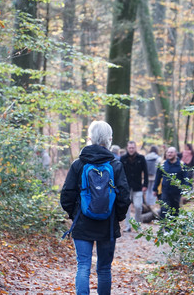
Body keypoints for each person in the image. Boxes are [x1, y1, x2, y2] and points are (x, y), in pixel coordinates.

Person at [60, 121, 130, 295]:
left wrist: (74, 213)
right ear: (109, 140)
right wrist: (117, 217)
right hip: (107, 225)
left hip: (83, 223)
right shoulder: (115, 165)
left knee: (83, 266)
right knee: (104, 269)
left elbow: (66, 195)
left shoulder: (79, 164)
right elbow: (124, 197)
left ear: (89, 138)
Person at [152, 147, 190, 220]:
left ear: (175, 154)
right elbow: (157, 177)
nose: (169, 154)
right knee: (164, 211)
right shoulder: (163, 164)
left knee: (175, 212)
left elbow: (185, 179)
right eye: (168, 152)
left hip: (177, 193)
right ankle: (166, 229)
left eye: (171, 152)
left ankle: (173, 229)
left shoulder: (181, 165)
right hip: (165, 192)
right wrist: (155, 189)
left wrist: (186, 192)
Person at [120, 141, 149, 231]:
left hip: (138, 186)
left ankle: (137, 225)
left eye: (133, 148)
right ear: (127, 148)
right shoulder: (123, 159)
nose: (131, 149)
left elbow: (146, 172)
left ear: (135, 148)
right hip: (126, 187)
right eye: (130, 148)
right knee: (127, 208)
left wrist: (145, 184)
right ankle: (128, 226)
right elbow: (120, 173)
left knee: (138, 206)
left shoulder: (141, 158)